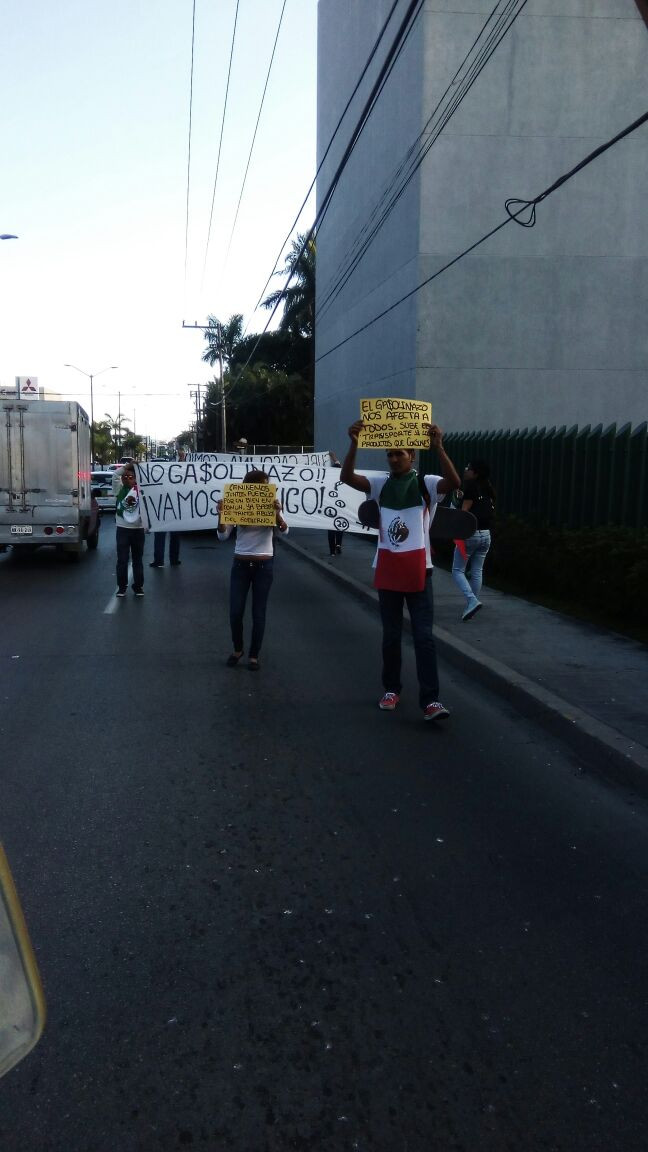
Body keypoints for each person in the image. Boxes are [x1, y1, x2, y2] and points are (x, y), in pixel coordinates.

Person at [341, 421, 460, 722]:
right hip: (389, 569)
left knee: (424, 637)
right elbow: (347, 478)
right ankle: (392, 688)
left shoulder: (427, 484)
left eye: (399, 454)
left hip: (422, 571)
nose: (393, 459)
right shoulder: (381, 483)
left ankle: (431, 700)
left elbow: (455, 482)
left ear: (412, 456)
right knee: (391, 636)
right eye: (389, 455)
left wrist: (440, 447)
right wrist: (354, 443)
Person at [217, 470, 288, 670]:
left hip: (263, 566)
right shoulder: (236, 502)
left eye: (266, 485)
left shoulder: (273, 502)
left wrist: (277, 515)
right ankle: (238, 648)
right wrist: (222, 516)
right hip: (240, 565)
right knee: (235, 612)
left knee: (259, 612)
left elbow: (284, 530)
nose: (264, 489)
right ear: (249, 486)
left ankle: (254, 655)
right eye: (261, 485)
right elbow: (223, 536)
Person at [451, 459, 495, 621]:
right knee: (477, 571)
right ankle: (472, 604)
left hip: (471, 534)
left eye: (468, 468)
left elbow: (464, 513)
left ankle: (471, 600)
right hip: (486, 535)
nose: (465, 469)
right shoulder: (489, 488)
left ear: (475, 472)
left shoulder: (471, 488)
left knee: (457, 570)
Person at [112, 463, 145, 597]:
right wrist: (126, 467)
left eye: (130, 477)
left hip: (138, 529)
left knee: (137, 559)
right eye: (125, 477)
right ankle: (122, 587)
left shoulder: (141, 491)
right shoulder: (119, 489)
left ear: (136, 478)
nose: (127, 479)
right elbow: (115, 475)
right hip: (122, 529)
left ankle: (138, 587)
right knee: (122, 560)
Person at [151, 450, 185, 568]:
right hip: (162, 511)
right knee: (161, 536)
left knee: (173, 537)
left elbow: (182, 471)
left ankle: (170, 559)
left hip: (173, 511)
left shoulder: (176, 482)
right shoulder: (158, 483)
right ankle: (161, 560)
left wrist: (182, 460)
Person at [327, 450, 344, 555]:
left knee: (330, 528)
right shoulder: (343, 479)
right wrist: (333, 456)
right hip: (340, 506)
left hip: (329, 508)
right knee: (340, 525)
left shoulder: (327, 481)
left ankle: (332, 551)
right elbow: (338, 464)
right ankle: (338, 544)